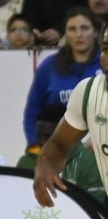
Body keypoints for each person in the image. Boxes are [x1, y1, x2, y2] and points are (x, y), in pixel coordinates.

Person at [23, 9, 101, 146]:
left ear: (95, 32)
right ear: (65, 33)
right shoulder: (49, 66)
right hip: (58, 149)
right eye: (72, 29)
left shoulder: (104, 64)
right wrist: (34, 146)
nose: (78, 35)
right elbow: (32, 112)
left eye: (84, 28)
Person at [28, 102, 107, 210]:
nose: (43, 142)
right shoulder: (27, 161)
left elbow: (94, 210)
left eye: (49, 136)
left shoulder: (89, 163)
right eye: (40, 135)